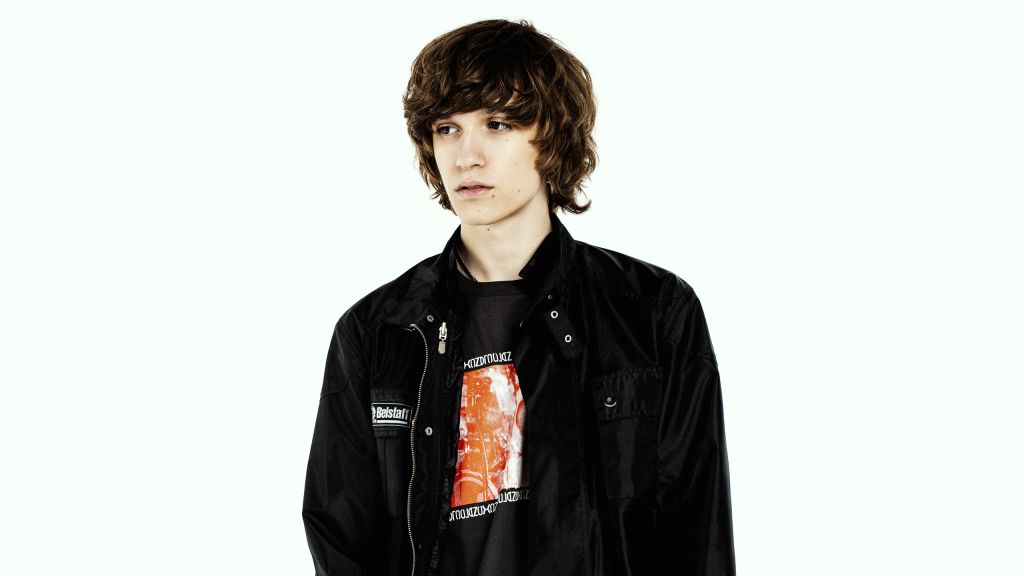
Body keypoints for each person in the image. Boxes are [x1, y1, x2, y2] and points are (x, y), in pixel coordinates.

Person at [302, 18, 736, 576]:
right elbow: (341, 539)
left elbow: (697, 533)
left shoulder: (651, 311)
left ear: (550, 138)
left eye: (498, 124)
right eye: (447, 128)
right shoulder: (378, 330)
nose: (466, 156)